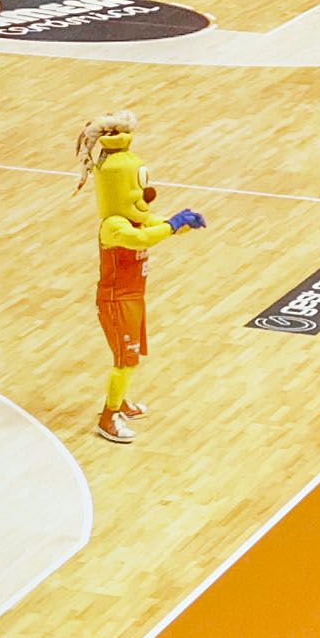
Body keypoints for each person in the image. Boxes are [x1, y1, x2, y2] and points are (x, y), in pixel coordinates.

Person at [82, 112, 199, 443]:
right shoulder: (114, 225)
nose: (147, 194)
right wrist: (172, 226)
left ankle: (121, 401)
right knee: (125, 360)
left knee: (129, 358)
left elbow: (156, 225)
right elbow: (144, 239)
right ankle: (108, 417)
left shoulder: (134, 220)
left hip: (134, 298)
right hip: (117, 301)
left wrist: (182, 221)